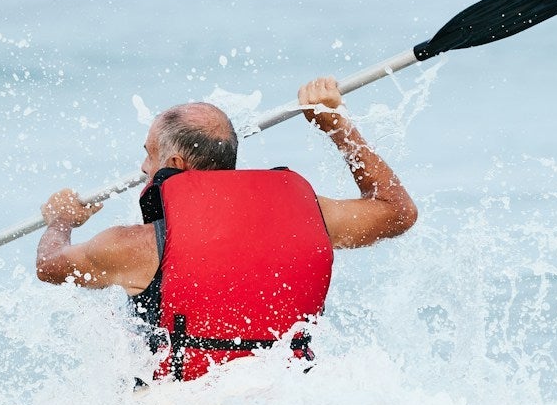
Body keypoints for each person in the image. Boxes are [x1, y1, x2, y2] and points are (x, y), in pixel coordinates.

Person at [36, 77, 417, 381]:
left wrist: (61, 220)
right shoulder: (310, 215)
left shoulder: (137, 245)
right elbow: (396, 211)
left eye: (148, 153)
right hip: (291, 399)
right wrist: (336, 126)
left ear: (174, 162)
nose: (141, 167)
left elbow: (50, 266)